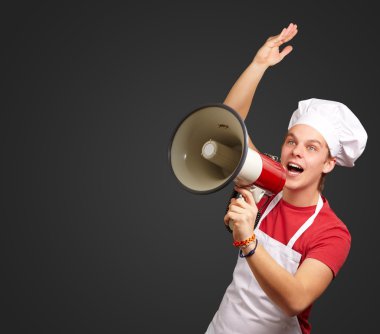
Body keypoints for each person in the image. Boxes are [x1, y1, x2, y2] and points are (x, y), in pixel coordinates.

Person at [205, 23, 368, 334]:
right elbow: (227, 124)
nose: (296, 152)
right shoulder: (266, 184)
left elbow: (296, 299)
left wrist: (248, 240)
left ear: (329, 163)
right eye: (291, 141)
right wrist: (259, 65)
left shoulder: (332, 233)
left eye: (311, 147)